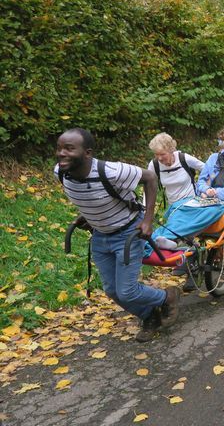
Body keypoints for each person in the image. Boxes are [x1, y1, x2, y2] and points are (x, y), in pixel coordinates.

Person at [55, 128, 180, 343]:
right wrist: (86, 215)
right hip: (100, 235)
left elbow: (150, 178)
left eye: (69, 148)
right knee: (112, 291)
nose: (61, 153)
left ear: (87, 153)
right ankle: (149, 316)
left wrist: (148, 220)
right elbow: (86, 194)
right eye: (59, 148)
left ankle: (168, 296)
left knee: (127, 291)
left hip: (128, 233)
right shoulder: (60, 172)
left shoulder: (112, 171)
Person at [150, 125, 224, 291]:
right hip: (208, 197)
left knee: (206, 211)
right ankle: (162, 237)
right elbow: (201, 181)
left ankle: (174, 239)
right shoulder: (214, 158)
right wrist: (205, 190)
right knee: (179, 206)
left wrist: (216, 193)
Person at [148, 133, 204, 209]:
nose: (159, 158)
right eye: (156, 154)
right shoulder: (154, 165)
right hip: (173, 207)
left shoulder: (183, 158)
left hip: (192, 203)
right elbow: (148, 186)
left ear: (171, 151)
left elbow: (207, 169)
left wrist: (204, 186)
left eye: (162, 154)